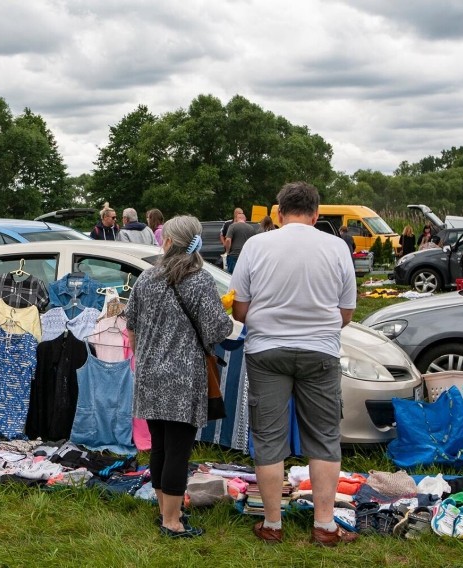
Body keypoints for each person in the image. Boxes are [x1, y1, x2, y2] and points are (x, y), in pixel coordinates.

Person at [230, 181, 358, 547]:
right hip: (320, 351)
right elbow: (346, 312)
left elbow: (240, 307)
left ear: (279, 212)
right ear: (317, 214)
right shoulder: (335, 247)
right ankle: (325, 525)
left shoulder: (256, 244)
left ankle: (272, 523)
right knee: (324, 437)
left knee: (268, 439)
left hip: (267, 350)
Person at [126, 215, 232, 538]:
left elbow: (131, 325)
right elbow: (217, 328)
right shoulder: (198, 280)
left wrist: (145, 353)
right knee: (177, 451)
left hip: (149, 375)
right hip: (183, 378)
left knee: (159, 446)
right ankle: (172, 522)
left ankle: (164, 509)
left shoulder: (146, 278)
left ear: (169, 242)